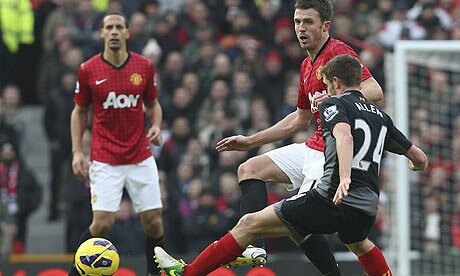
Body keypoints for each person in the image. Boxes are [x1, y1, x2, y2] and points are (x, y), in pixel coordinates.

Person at [154, 54, 428, 276]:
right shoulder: (381, 117)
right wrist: (415, 166)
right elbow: (418, 157)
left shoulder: (334, 104)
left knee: (249, 222)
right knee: (358, 242)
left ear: (335, 82)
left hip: (331, 198)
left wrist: (344, 177)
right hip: (366, 207)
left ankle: (187, 273)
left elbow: (343, 135)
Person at [215, 0, 384, 274]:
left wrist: (333, 98)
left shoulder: (338, 51)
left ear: (325, 26)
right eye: (297, 22)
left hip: (332, 152)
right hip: (313, 144)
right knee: (249, 168)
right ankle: (254, 247)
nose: (300, 28)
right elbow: (300, 119)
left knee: (303, 223)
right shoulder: (307, 64)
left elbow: (374, 89)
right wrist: (250, 140)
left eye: (307, 22)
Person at [68, 12, 165, 276]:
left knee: (154, 223)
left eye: (118, 27)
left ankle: (152, 274)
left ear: (127, 33)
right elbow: (79, 111)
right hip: (105, 157)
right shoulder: (88, 69)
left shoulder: (144, 66)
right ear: (101, 33)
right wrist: (77, 151)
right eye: (108, 27)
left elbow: (153, 104)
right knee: (101, 224)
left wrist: (156, 125)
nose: (113, 31)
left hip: (140, 155)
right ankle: (75, 273)